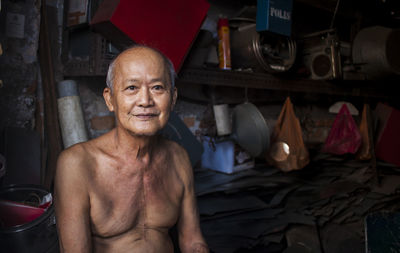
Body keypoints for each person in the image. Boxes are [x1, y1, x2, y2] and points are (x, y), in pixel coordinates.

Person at [54, 45, 209, 253]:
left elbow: (192, 241)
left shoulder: (178, 157)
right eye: (131, 88)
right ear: (110, 99)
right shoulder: (76, 165)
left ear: (172, 99)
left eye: (157, 87)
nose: (145, 101)